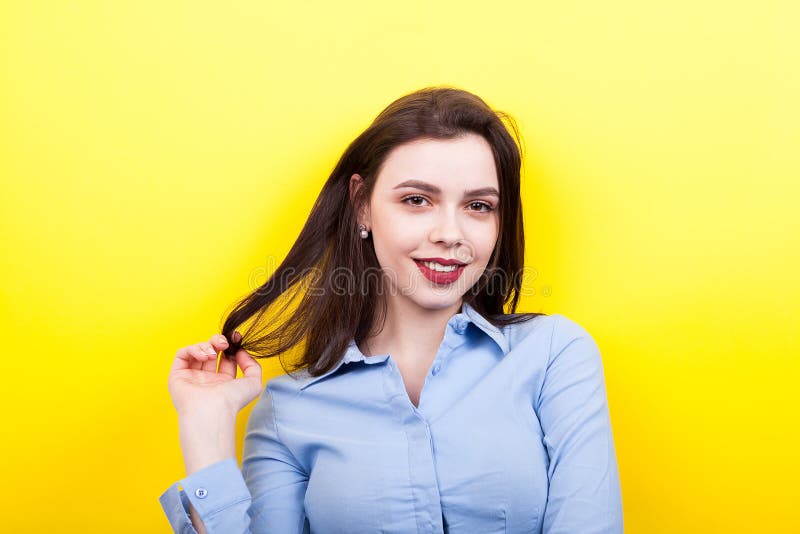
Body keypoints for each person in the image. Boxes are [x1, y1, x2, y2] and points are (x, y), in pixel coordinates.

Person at [158, 86, 623, 533]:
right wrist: (205, 428)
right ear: (362, 205)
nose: (450, 233)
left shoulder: (554, 356)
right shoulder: (287, 410)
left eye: (478, 206)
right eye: (417, 200)